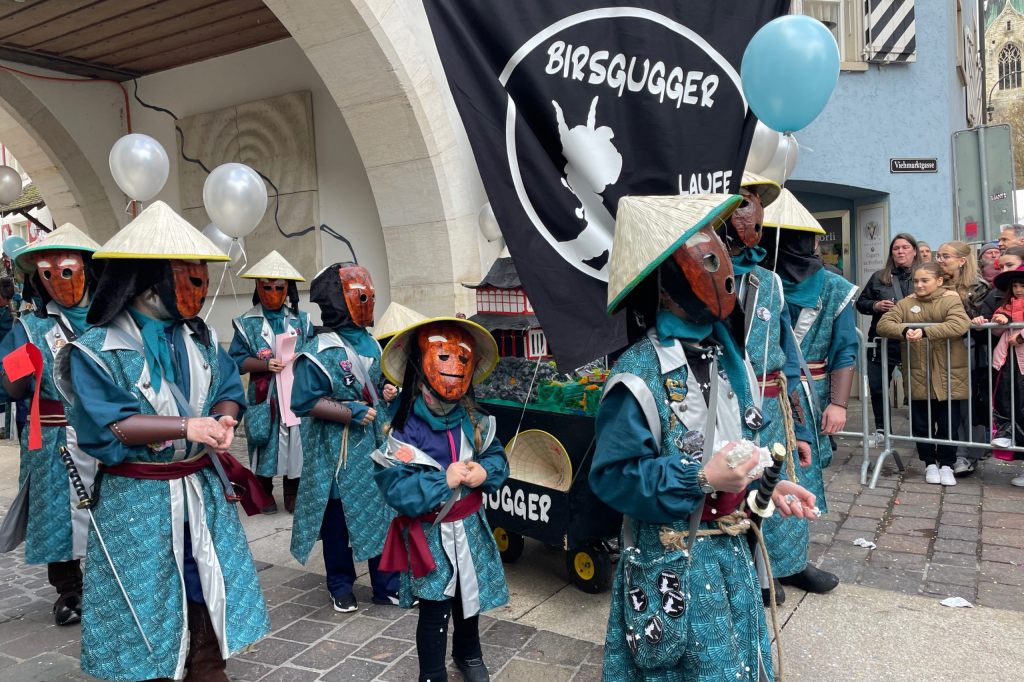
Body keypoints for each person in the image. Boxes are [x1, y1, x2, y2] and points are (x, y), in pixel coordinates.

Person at [591, 193, 818, 682]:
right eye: (702, 258)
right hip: (671, 562)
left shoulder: (719, 353)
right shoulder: (637, 375)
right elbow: (613, 479)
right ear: (666, 284)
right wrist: (698, 477)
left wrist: (764, 484)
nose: (721, 269)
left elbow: (729, 450)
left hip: (730, 556)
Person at [55, 202, 270, 681]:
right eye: (189, 277)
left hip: (202, 488)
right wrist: (186, 428)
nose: (202, 287)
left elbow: (229, 388)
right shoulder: (93, 350)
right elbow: (111, 425)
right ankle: (153, 670)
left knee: (209, 578)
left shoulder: (199, 337)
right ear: (149, 284)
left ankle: (207, 668)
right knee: (147, 591)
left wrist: (225, 419)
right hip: (138, 496)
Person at [373, 316, 508, 682]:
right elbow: (393, 485)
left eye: (463, 358)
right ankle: (431, 672)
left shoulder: (475, 419)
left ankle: (469, 654)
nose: (455, 365)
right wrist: (440, 481)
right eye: (443, 356)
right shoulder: (403, 427)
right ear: (420, 360)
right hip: (430, 532)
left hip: (470, 526)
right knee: (435, 606)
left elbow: (496, 457)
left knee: (469, 596)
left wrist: (486, 472)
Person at [718, 173, 822, 605]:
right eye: (743, 202)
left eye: (758, 202)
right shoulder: (696, 276)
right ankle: (748, 576)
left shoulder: (771, 282)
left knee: (779, 485)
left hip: (769, 399)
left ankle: (780, 568)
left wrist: (797, 419)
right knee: (730, 489)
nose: (753, 212)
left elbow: (787, 353)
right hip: (720, 402)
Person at [0, 224, 100, 626]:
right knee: (58, 513)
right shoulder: (31, 328)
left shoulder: (110, 321)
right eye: (48, 273)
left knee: (113, 505)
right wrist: (23, 362)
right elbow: (11, 384)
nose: (60, 281)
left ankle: (112, 577)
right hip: (55, 433)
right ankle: (68, 590)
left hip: (108, 431)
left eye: (69, 270)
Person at [290, 263, 400, 612]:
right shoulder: (318, 350)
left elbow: (376, 386)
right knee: (337, 522)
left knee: (381, 515)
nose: (367, 299)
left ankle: (386, 584)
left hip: (373, 449)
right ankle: (340, 584)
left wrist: (387, 391)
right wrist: (348, 411)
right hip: (337, 454)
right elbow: (303, 401)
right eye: (359, 294)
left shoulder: (371, 342)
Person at [761, 190, 859, 531]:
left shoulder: (834, 287)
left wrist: (839, 404)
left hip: (809, 392)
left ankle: (792, 557)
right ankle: (763, 559)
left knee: (801, 472)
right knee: (762, 469)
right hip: (763, 391)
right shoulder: (757, 282)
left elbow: (845, 348)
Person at [229, 250, 312, 514]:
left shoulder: (302, 320)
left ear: (288, 289)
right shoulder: (246, 323)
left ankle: (293, 489)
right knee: (264, 441)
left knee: (295, 442)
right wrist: (265, 364)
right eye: (266, 287)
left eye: (279, 287)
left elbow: (314, 353)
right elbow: (236, 361)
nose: (273, 293)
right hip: (265, 396)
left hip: (294, 392)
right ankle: (262, 489)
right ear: (257, 287)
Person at [877, 261, 970, 486]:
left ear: (939, 281)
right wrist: (906, 329)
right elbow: (884, 324)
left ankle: (947, 464)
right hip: (919, 372)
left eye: (925, 280)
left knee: (948, 422)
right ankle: (929, 463)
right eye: (916, 280)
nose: (919, 285)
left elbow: (959, 324)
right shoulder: (907, 303)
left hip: (948, 373)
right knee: (921, 424)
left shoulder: (951, 299)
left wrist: (926, 331)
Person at [855, 233, 919, 446]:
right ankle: (882, 430)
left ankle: (921, 431)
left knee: (919, 386)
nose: (900, 251)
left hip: (914, 340)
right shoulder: (880, 276)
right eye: (896, 248)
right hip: (882, 341)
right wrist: (875, 306)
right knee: (878, 386)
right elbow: (861, 302)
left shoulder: (923, 276)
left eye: (905, 247)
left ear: (914, 251)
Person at [937, 241, 994, 476]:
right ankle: (953, 451)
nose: (940, 260)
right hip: (942, 350)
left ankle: (970, 453)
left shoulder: (977, 286)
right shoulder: (934, 283)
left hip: (969, 350)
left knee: (968, 404)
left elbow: (979, 319)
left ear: (961, 261)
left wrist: (955, 301)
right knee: (948, 402)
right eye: (938, 256)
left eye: (946, 256)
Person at [987, 265, 1024, 488]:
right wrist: (999, 317)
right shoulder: (1008, 305)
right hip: (1008, 363)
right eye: (1016, 286)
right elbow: (997, 329)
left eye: (1023, 285)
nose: (1019, 290)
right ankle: (1007, 434)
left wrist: (1020, 338)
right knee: (1009, 403)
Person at [372, 300, 428, 420]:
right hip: (400, 411)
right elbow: (383, 381)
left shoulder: (423, 354)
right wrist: (389, 390)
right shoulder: (383, 357)